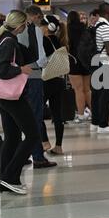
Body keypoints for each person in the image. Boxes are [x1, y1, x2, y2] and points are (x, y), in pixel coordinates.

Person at [0, 10, 37, 195]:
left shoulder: (7, 38)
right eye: (26, 24)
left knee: (12, 137)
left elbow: (32, 54)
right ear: (19, 25)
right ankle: (10, 177)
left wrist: (33, 30)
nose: (26, 27)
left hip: (4, 97)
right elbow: (1, 69)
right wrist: (20, 70)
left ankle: (5, 181)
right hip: (12, 97)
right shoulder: (9, 42)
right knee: (33, 135)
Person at [22, 5, 57, 168]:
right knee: (35, 116)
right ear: (35, 16)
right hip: (34, 75)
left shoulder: (12, 32)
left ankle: (22, 154)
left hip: (18, 77)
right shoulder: (34, 30)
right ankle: (38, 156)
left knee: (21, 117)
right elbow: (41, 57)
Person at [90, 2, 109, 134]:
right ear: (107, 11)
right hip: (105, 64)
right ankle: (103, 124)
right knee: (105, 95)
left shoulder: (96, 25)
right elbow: (108, 49)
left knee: (96, 94)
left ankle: (95, 122)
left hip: (96, 63)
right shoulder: (106, 27)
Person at [39, 15, 67, 155]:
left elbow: (41, 61)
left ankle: (44, 141)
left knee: (37, 111)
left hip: (46, 81)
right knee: (57, 115)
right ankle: (59, 146)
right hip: (59, 81)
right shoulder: (59, 40)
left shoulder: (44, 40)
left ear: (46, 27)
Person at [67, 11, 92, 122]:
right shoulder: (84, 28)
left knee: (78, 90)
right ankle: (94, 113)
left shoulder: (68, 29)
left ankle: (81, 114)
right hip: (86, 61)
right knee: (87, 89)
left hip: (74, 61)